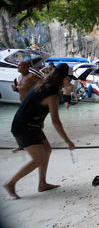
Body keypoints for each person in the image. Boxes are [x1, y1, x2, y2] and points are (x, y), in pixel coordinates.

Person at [3, 63, 76, 199]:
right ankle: (10, 183)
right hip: (23, 127)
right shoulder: (53, 94)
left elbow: (34, 105)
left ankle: (42, 183)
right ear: (63, 78)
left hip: (31, 125)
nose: (71, 81)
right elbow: (55, 121)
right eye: (69, 78)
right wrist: (67, 141)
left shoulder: (42, 84)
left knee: (47, 150)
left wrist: (40, 121)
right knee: (38, 159)